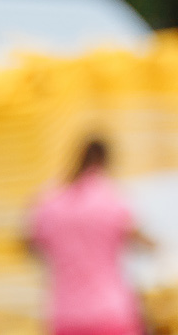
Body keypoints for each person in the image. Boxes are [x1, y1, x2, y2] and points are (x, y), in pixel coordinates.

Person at [25, 138, 152, 335]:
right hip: (111, 312)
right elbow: (142, 240)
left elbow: (29, 244)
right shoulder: (111, 199)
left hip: (66, 315)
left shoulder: (50, 202)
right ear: (105, 161)